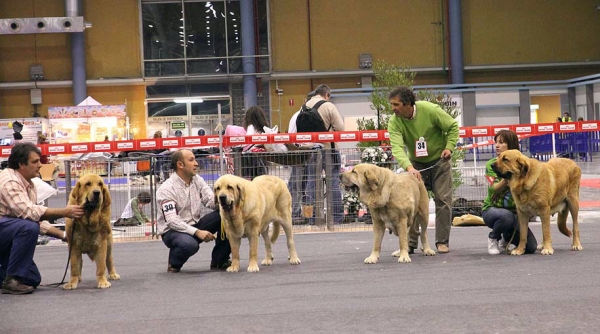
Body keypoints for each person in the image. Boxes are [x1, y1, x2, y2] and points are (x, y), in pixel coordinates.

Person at [0, 142, 84, 294]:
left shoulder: (28, 183)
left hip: (6, 234)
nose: (40, 165)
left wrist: (64, 235)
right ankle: (11, 281)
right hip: (4, 232)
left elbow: (34, 218)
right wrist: (65, 212)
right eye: (35, 162)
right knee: (27, 227)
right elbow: (29, 213)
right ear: (21, 164)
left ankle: (9, 277)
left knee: (32, 279)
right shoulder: (10, 182)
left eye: (39, 161)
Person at [387, 86, 459, 254]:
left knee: (443, 201)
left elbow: (453, 127)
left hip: (440, 162)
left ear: (408, 104)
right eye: (392, 104)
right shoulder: (394, 121)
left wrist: (449, 147)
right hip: (416, 165)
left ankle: (442, 242)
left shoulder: (431, 110)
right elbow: (397, 147)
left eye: (396, 104)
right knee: (412, 204)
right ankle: (410, 243)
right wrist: (409, 168)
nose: (393, 108)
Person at [156, 149, 231, 273]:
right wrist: (197, 232)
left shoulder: (197, 180)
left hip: (195, 224)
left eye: (195, 159)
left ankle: (220, 260)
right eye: (191, 160)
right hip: (172, 231)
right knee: (190, 245)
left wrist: (224, 199)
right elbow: (172, 221)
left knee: (227, 214)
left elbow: (210, 201)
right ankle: (174, 263)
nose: (196, 163)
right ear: (180, 165)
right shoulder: (166, 189)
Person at [482, 130, 538, 255]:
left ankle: (506, 238)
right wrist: (508, 178)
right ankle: (493, 238)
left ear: (511, 145)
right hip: (492, 210)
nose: (497, 145)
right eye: (496, 142)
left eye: (501, 142)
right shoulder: (492, 164)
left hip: (517, 213)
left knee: (531, 247)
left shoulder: (522, 164)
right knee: (506, 217)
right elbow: (493, 189)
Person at [303, 84, 345, 224]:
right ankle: (336, 217)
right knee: (332, 181)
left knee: (311, 183)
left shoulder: (305, 105)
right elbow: (340, 128)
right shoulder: (329, 106)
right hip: (329, 149)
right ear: (327, 95)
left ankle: (310, 217)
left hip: (311, 149)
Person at [287, 92, 315, 223]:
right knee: (296, 184)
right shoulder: (298, 116)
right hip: (299, 154)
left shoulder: (307, 115)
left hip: (305, 153)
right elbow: (291, 136)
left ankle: (303, 213)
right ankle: (293, 213)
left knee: (302, 185)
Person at [240, 106, 269, 179]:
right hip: (262, 156)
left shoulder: (251, 127)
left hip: (252, 157)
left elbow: (248, 139)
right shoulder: (263, 128)